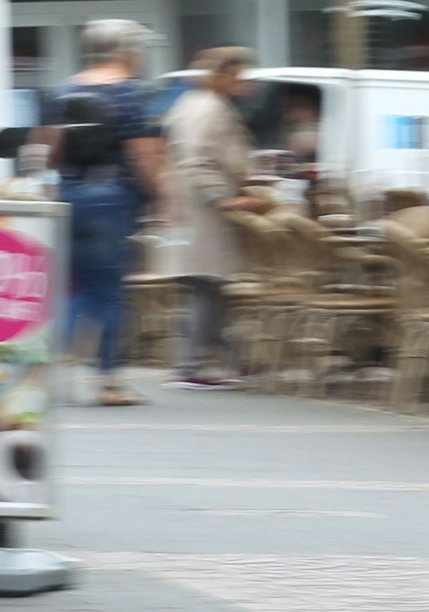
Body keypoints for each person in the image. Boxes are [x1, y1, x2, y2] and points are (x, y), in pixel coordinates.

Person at [47, 19, 163, 407]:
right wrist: (159, 195)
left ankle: (39, 368)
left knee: (75, 286)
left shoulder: (65, 90)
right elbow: (144, 154)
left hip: (69, 197)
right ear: (127, 52)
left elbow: (50, 150)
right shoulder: (131, 94)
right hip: (112, 200)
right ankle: (109, 382)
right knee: (108, 293)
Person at [163, 46, 265, 389]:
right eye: (238, 75)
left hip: (184, 207)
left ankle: (227, 359)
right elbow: (198, 161)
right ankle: (191, 366)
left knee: (205, 287)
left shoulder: (188, 104)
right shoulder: (211, 109)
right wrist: (226, 198)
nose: (243, 82)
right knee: (207, 285)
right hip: (201, 209)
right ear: (220, 75)